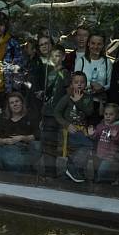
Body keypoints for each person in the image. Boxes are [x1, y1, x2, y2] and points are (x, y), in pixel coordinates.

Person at [54, 71, 94, 182]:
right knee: (83, 146)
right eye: (76, 82)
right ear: (72, 84)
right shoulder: (67, 97)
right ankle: (72, 169)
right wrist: (67, 124)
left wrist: (78, 102)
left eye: (82, 82)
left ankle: (75, 171)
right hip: (70, 130)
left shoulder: (87, 98)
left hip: (82, 129)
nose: (79, 84)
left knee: (84, 148)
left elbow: (89, 112)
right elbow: (57, 112)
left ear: (86, 84)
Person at [40, 45, 71, 177]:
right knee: (47, 144)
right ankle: (49, 172)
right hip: (47, 112)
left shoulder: (65, 73)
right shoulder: (48, 72)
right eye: (52, 56)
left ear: (63, 57)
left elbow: (69, 93)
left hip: (57, 113)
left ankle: (57, 173)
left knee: (56, 145)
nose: (55, 59)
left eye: (58, 55)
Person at [0, 92, 40, 172]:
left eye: (17, 101)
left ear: (22, 103)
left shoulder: (30, 116)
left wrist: (22, 138)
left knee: (12, 161)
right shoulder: (3, 118)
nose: (15, 104)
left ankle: (15, 175)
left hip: (23, 147)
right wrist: (4, 140)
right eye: (12, 103)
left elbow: (37, 135)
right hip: (4, 146)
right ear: (9, 106)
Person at [73, 32, 113, 122]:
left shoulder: (107, 63)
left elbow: (109, 84)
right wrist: (90, 84)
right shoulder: (81, 61)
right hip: (82, 102)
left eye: (99, 44)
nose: (95, 47)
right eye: (93, 43)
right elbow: (75, 81)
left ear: (103, 45)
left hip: (99, 105)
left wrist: (101, 88)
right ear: (88, 44)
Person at [88, 103, 119, 184]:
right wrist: (91, 134)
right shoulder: (100, 126)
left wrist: (115, 136)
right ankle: (101, 183)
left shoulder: (118, 127)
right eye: (106, 114)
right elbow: (95, 137)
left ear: (116, 116)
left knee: (102, 172)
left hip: (109, 155)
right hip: (99, 154)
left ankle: (100, 184)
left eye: (111, 114)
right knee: (97, 171)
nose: (108, 116)